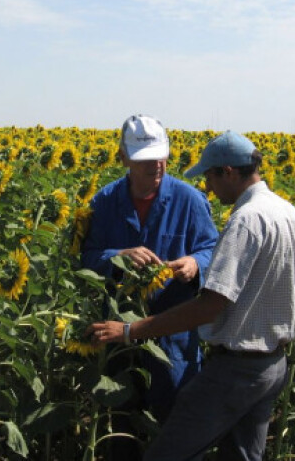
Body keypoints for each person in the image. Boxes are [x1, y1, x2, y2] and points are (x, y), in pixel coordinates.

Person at [88, 130, 295, 461]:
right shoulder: (287, 212)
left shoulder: (245, 221)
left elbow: (211, 306)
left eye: (210, 177)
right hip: (272, 362)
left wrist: (131, 330)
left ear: (228, 172)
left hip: (235, 370)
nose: (207, 187)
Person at [81, 114, 219, 428]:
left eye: (161, 156)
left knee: (174, 424)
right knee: (120, 424)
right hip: (117, 331)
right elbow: (86, 259)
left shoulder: (189, 200)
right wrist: (118, 256)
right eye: (145, 159)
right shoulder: (103, 203)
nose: (156, 165)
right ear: (124, 158)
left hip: (172, 331)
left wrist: (196, 263)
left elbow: (213, 249)